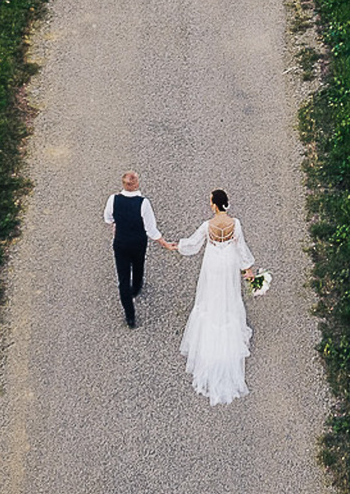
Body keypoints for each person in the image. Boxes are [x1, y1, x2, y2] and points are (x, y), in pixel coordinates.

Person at [173, 188, 256, 405]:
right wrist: (248, 269)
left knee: (210, 294)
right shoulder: (235, 224)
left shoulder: (207, 226)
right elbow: (241, 247)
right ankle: (228, 324)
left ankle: (211, 329)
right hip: (228, 262)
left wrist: (177, 245)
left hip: (212, 263)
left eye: (210, 201)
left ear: (214, 204)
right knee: (229, 293)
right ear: (226, 203)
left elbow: (193, 244)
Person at [103, 171, 170, 328]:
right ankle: (137, 285)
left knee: (123, 278)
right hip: (138, 241)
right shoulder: (143, 203)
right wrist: (164, 242)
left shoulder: (113, 199)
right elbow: (150, 228)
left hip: (121, 242)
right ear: (136, 184)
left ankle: (130, 316)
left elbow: (108, 218)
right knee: (138, 263)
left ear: (123, 184)